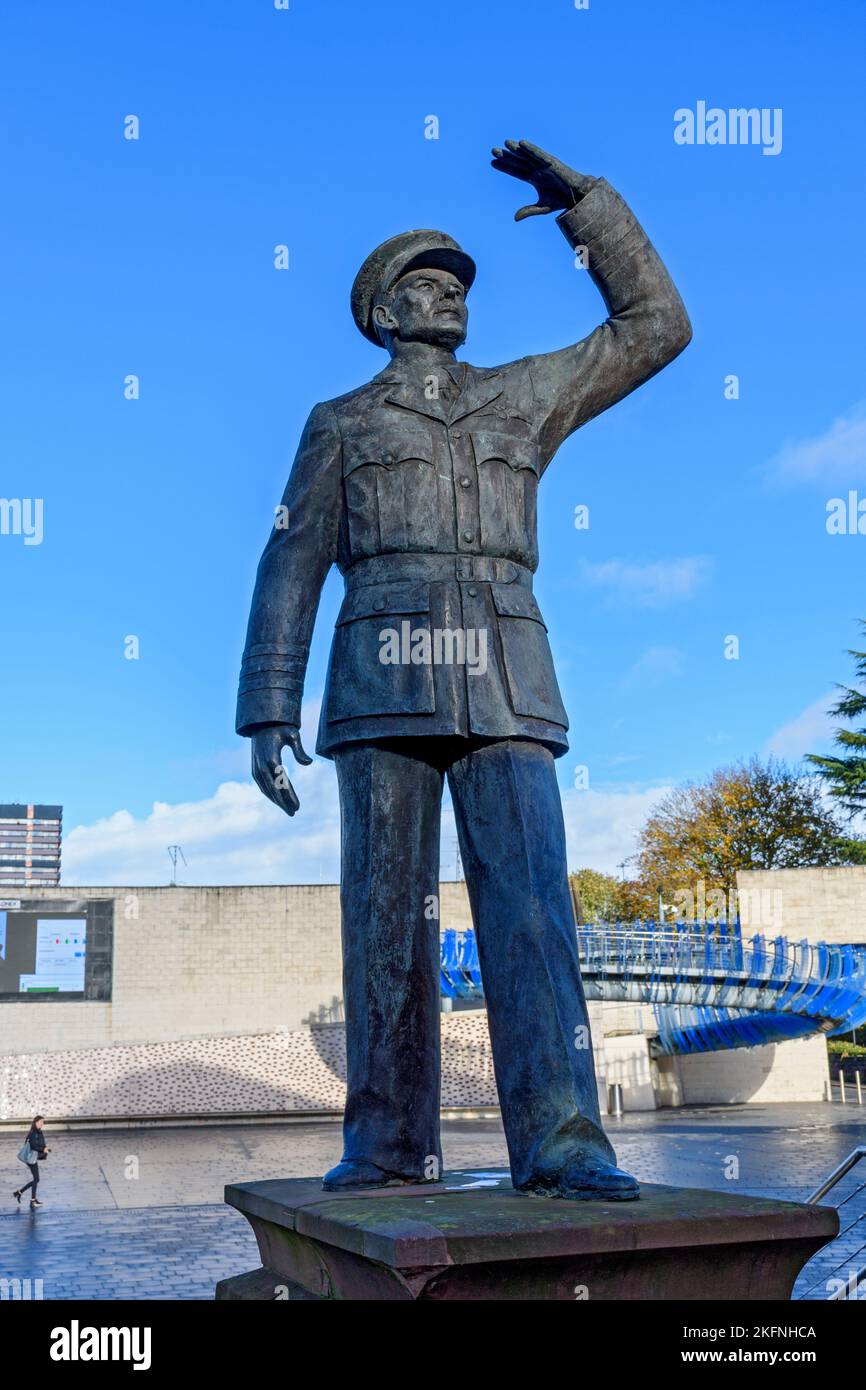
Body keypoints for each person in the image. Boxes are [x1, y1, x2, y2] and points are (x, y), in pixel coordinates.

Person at [237, 140, 691, 1200]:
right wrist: (268, 704)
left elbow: (656, 328)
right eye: (421, 282)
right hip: (381, 675)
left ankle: (564, 1140)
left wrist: (585, 209)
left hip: (505, 672)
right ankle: (387, 1144)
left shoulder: (522, 397)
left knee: (533, 912)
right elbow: (290, 555)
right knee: (384, 923)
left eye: (454, 282)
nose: (446, 292)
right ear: (382, 313)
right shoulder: (339, 423)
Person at [14, 1114, 50, 1209]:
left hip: (32, 1157)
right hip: (31, 1158)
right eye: (41, 1122)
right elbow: (33, 1146)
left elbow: (38, 1143)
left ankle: (20, 1193)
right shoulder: (34, 1132)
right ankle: (32, 1201)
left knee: (36, 1179)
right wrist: (43, 1150)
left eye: (43, 1122)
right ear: (36, 1122)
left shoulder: (37, 1131)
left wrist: (44, 1148)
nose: (43, 1123)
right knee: (36, 1179)